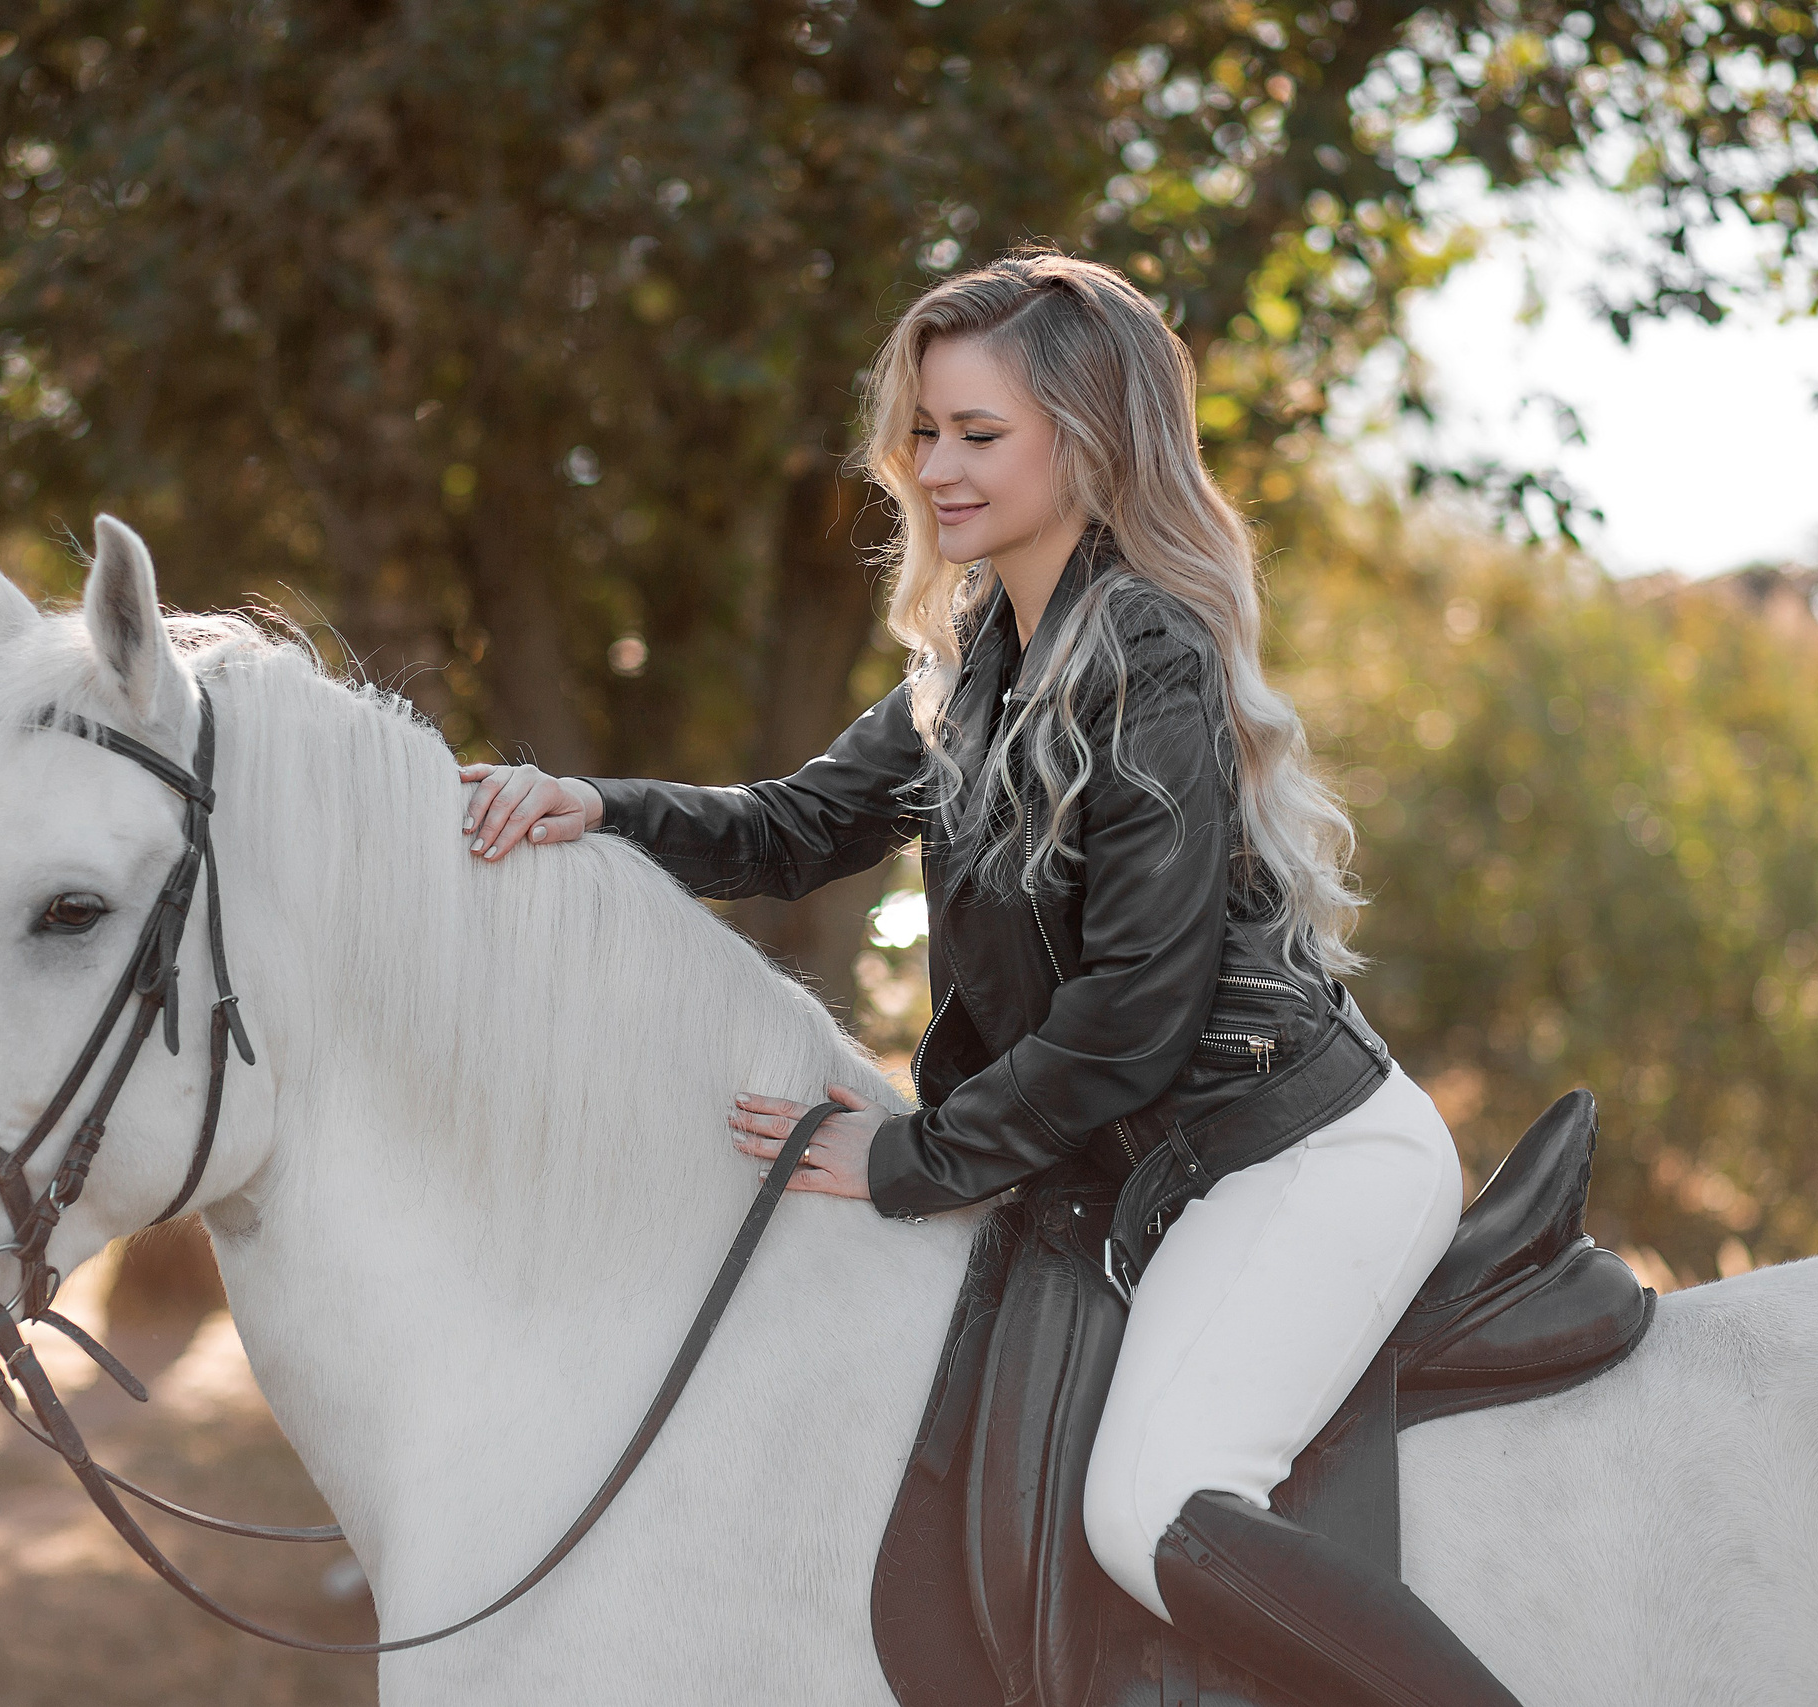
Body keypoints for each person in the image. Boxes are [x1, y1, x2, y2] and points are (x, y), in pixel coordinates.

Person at [459, 251, 1514, 1707]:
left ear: (1084, 443)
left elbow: (1136, 1012)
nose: (935, 468)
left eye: (978, 434)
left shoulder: (1148, 648)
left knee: (1150, 1509)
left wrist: (910, 1156)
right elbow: (799, 825)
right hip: (1138, 1170)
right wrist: (599, 806)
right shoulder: (980, 657)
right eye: (926, 432)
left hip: (1296, 1156)